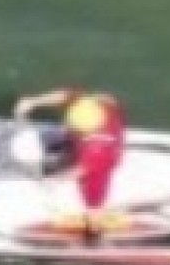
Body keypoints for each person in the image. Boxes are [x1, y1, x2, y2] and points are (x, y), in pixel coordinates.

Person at [13, 88, 127, 235]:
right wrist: (33, 102)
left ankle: (94, 229)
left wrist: (55, 181)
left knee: (93, 202)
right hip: (88, 146)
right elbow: (65, 96)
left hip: (100, 160)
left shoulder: (98, 151)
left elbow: (80, 170)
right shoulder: (96, 105)